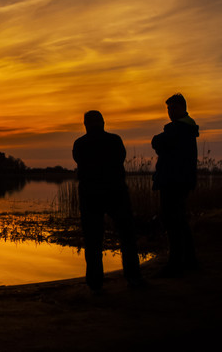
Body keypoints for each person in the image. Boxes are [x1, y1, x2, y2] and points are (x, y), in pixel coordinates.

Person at [72, 110, 143, 293]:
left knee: (93, 240)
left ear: (86, 124)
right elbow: (120, 158)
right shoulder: (115, 140)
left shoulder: (80, 144)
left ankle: (95, 283)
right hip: (116, 192)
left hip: (91, 195)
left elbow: (79, 161)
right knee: (127, 236)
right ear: (103, 123)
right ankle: (133, 278)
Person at [152, 93, 200, 277]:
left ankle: (176, 263)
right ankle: (188, 260)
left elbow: (158, 141)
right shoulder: (184, 128)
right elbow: (161, 143)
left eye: (172, 108)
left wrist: (160, 142)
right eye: (168, 109)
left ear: (181, 108)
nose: (170, 112)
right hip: (180, 180)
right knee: (179, 220)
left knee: (173, 221)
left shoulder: (179, 129)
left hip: (174, 181)